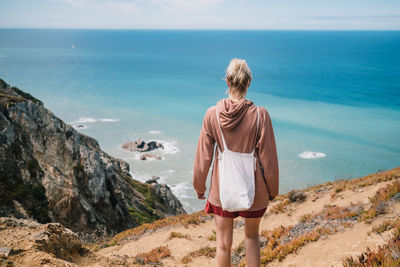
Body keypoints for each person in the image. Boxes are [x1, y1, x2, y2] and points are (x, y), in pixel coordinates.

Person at [193, 58, 279, 267]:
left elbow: (203, 156)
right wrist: (272, 190)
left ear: (228, 83)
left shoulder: (212, 114)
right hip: (254, 189)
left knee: (223, 245)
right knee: (251, 238)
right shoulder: (261, 115)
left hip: (222, 190)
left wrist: (199, 185)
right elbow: (269, 159)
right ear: (248, 83)